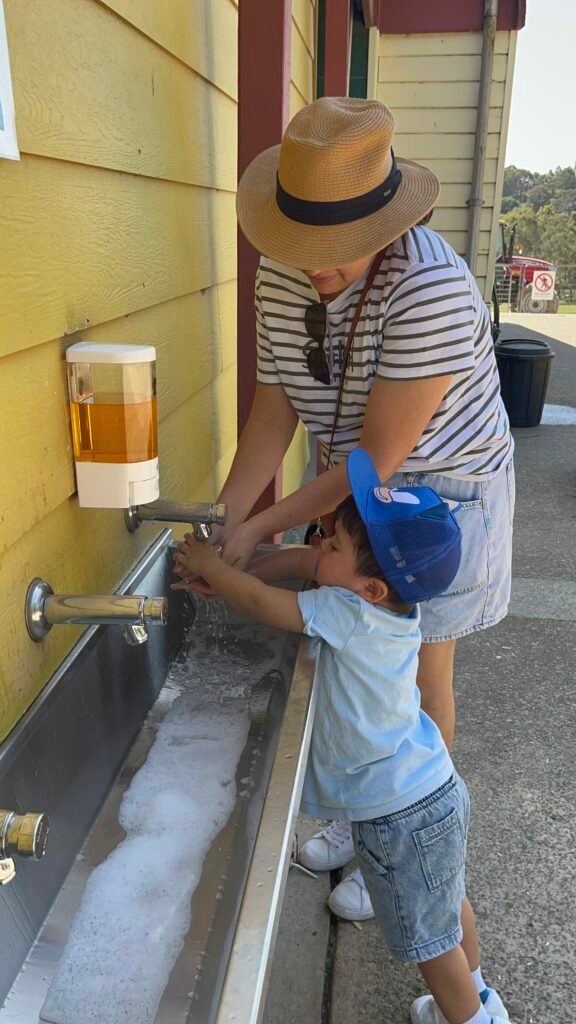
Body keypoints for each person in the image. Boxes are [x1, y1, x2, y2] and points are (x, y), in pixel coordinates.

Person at [174, 95, 515, 918]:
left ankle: (397, 833)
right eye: (305, 244)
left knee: (418, 670)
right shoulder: (281, 272)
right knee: (349, 657)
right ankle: (361, 809)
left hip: (439, 497)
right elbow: (272, 411)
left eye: (341, 249)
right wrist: (230, 519)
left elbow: (377, 460)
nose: (317, 264)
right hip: (357, 488)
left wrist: (263, 528)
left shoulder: (432, 287)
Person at [174, 448, 509, 1024]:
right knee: (446, 904)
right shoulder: (385, 607)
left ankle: (471, 1017)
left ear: (370, 587)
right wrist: (239, 568)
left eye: (335, 545)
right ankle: (477, 996)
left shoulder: (345, 613)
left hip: (397, 815)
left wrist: (218, 565)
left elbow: (260, 602)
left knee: (429, 943)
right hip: (430, 788)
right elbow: (303, 562)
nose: (320, 544)